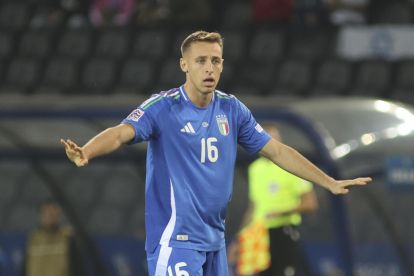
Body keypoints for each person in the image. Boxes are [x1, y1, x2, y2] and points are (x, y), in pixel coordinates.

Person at [60, 30, 372, 276]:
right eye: (201, 61)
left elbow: (276, 150)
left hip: (214, 242)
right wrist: (87, 151)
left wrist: (328, 181)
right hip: (176, 239)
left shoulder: (232, 109)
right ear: (184, 64)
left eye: (216, 60)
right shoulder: (164, 107)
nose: (210, 68)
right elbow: (120, 132)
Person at [228, 123, 318, 276]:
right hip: (259, 234)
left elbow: (310, 203)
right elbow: (254, 207)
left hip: (283, 231)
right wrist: (239, 240)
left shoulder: (291, 167)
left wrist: (282, 212)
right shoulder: (255, 169)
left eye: (274, 139)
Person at [21, 200, 85, 276]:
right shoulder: (33, 239)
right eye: (47, 213)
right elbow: (24, 269)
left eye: (53, 214)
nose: (50, 216)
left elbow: (78, 269)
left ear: (58, 215)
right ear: (41, 216)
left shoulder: (67, 238)